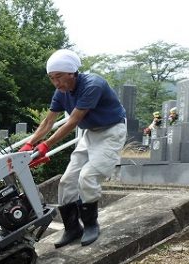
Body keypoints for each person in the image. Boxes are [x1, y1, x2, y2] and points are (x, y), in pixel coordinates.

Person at [19, 49, 127, 247]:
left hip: (111, 132)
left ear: (72, 73)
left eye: (59, 77)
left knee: (87, 176)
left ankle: (91, 224)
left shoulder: (93, 85)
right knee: (67, 181)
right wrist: (30, 143)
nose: (56, 83)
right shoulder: (60, 92)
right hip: (90, 134)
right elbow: (49, 121)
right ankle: (72, 228)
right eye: (52, 78)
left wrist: (46, 145)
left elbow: (73, 121)